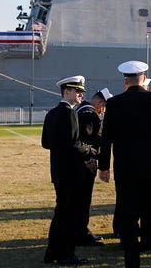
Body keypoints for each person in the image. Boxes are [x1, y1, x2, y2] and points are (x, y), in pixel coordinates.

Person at [98, 61, 151, 268]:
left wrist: (103, 166)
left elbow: (106, 137)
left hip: (127, 171)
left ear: (125, 80)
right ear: (143, 79)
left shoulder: (114, 104)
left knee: (128, 220)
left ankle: (132, 263)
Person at [42, 75, 97, 265]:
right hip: (72, 173)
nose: (81, 94)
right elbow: (74, 144)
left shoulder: (51, 114)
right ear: (67, 91)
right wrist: (89, 149)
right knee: (70, 215)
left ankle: (52, 253)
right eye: (78, 91)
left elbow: (45, 143)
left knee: (60, 213)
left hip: (58, 171)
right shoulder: (70, 113)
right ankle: (66, 254)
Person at [74, 87, 112, 247]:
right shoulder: (90, 114)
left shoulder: (80, 109)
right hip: (83, 166)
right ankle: (81, 234)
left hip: (76, 165)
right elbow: (84, 140)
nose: (103, 112)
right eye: (103, 107)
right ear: (100, 102)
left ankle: (79, 231)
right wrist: (88, 159)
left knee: (79, 200)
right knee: (83, 200)